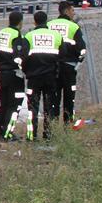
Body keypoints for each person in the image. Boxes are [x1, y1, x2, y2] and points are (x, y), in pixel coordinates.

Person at [15, 11, 65, 140]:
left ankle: (31, 136)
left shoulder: (29, 36)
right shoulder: (56, 36)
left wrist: (27, 71)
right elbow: (62, 57)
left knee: (32, 108)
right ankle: (48, 135)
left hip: (34, 79)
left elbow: (23, 57)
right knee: (50, 107)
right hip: (50, 78)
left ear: (34, 22)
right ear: (46, 21)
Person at [47, 1, 87, 124]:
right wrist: (79, 60)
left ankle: (53, 125)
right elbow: (81, 48)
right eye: (72, 10)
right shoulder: (73, 27)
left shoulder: (49, 25)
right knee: (69, 97)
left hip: (52, 68)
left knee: (54, 98)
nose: (74, 13)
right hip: (69, 67)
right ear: (66, 11)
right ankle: (68, 125)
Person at [0, 11, 27, 140]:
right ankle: (8, 134)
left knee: (4, 104)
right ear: (20, 22)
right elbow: (19, 56)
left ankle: (1, 133)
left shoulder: (1, 33)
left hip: (2, 73)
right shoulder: (17, 35)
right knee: (15, 105)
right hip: (14, 75)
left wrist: (4, 60)